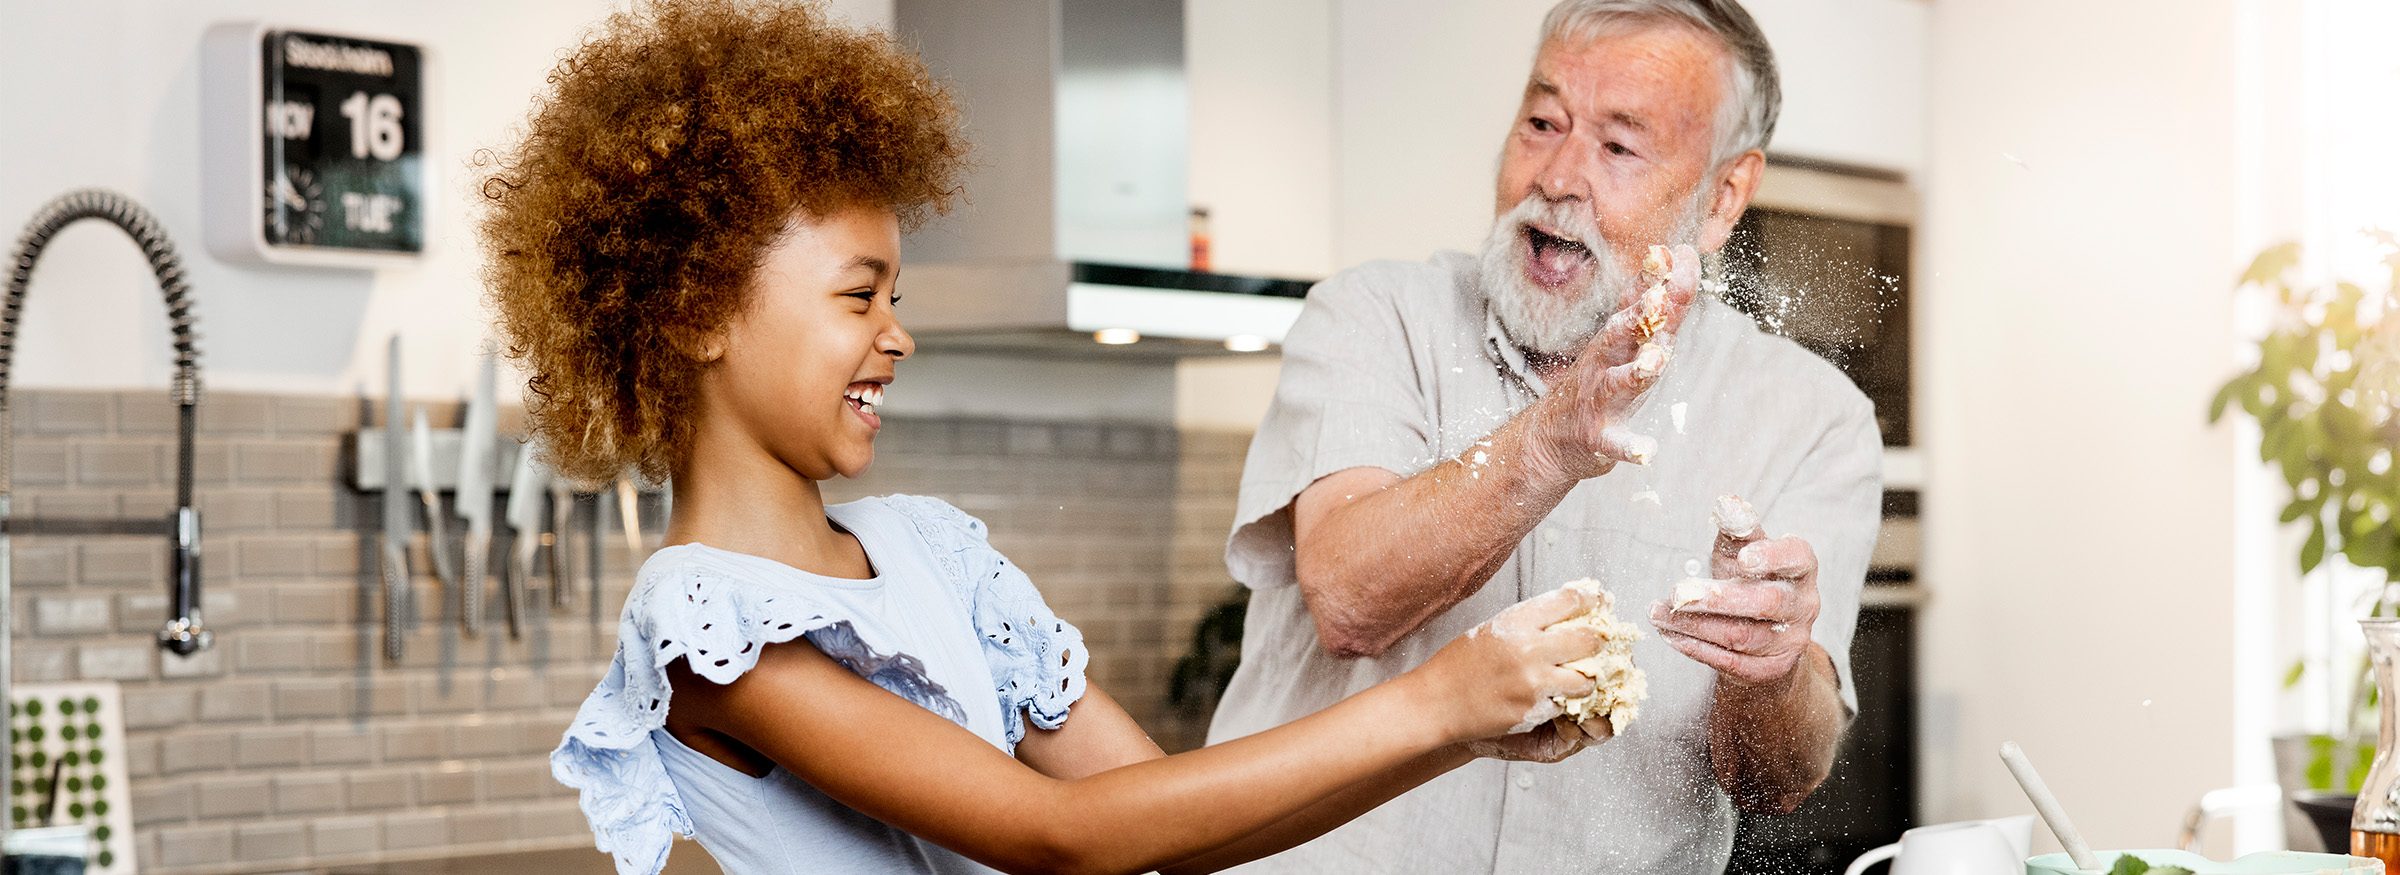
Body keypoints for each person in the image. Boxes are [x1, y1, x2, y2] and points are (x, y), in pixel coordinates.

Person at [489, 2, 1627, 874]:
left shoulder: (933, 549)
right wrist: (1439, 695)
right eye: (859, 296)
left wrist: (1460, 733)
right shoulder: (702, 623)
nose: (899, 336)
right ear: (695, 312)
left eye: (899, 296)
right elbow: (1060, 834)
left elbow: (1163, 817)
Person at [1205, 0, 1885, 872]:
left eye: (1618, 146)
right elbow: (1346, 597)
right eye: (1542, 122)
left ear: (1723, 196)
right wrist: (1550, 441)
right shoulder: (1372, 318)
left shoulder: (1812, 416)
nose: (1558, 176)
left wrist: (1774, 668)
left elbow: (1776, 779)